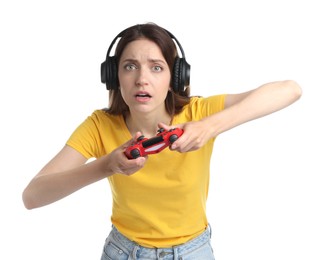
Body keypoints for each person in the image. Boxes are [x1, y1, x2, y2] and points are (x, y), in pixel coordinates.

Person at [22, 22, 302, 260]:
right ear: (113, 76)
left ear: (174, 77)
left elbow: (290, 89)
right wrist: (107, 165)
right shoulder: (99, 125)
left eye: (156, 68)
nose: (142, 79)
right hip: (123, 251)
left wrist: (208, 126)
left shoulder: (198, 113)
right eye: (130, 66)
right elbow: (32, 196)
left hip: (194, 251)